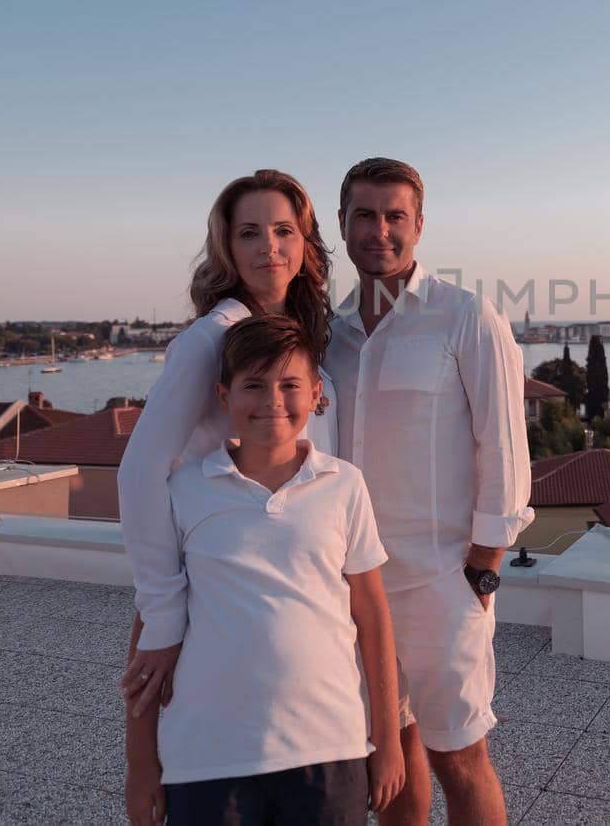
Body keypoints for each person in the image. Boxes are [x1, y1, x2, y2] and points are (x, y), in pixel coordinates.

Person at [123, 315, 403, 825]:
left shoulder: (344, 486)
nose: (273, 399)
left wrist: (387, 741)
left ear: (317, 395)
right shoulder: (185, 490)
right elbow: (153, 616)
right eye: (253, 384)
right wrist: (141, 764)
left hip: (329, 750)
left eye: (290, 384)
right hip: (207, 758)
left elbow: (373, 616)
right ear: (223, 395)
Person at [325, 157, 534, 826]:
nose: (379, 230)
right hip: (352, 584)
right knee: (390, 747)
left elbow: (503, 450)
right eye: (364, 214)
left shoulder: (465, 316)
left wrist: (483, 570)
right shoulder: (332, 334)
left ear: (418, 224)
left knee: (460, 757)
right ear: (342, 223)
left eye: (394, 216)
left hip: (441, 580)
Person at [118, 169, 337, 718]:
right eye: (249, 233)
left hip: (293, 577)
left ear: (304, 241)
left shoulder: (297, 334)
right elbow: (140, 472)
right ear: (227, 247)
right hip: (217, 580)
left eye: (284, 230)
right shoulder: (209, 340)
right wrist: (163, 612)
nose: (270, 246)